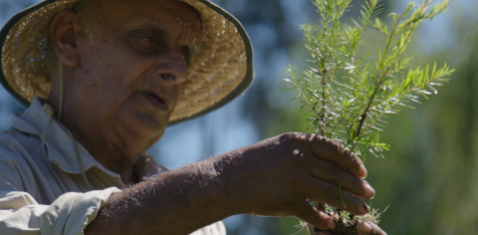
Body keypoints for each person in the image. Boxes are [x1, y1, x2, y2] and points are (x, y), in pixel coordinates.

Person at [0, 0, 386, 234]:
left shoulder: (203, 223)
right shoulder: (11, 165)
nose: (179, 71)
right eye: (149, 38)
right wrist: (226, 182)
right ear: (68, 38)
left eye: (186, 53)